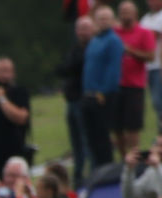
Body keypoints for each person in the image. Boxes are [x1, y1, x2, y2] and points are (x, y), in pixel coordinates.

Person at [84, 8, 126, 172]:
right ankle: (97, 169)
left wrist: (104, 91)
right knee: (92, 137)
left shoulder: (113, 41)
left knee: (102, 136)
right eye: (100, 18)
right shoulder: (94, 41)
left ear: (112, 20)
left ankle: (107, 170)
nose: (103, 22)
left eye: (106, 18)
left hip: (102, 95)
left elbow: (113, 70)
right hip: (88, 94)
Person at [117, 1, 158, 158]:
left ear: (135, 14)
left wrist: (129, 50)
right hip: (116, 86)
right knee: (117, 128)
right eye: (122, 12)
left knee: (132, 127)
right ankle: (123, 162)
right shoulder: (115, 32)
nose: (125, 15)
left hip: (135, 85)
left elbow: (150, 56)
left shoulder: (144, 32)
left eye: (128, 12)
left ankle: (135, 160)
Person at [62, 14, 101, 178]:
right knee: (75, 141)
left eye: (86, 28)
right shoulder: (75, 49)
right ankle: (78, 175)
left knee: (87, 141)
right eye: (80, 29)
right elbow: (64, 69)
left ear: (92, 29)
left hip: (85, 100)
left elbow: (72, 68)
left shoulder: (94, 48)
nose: (82, 32)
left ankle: (93, 174)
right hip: (71, 100)